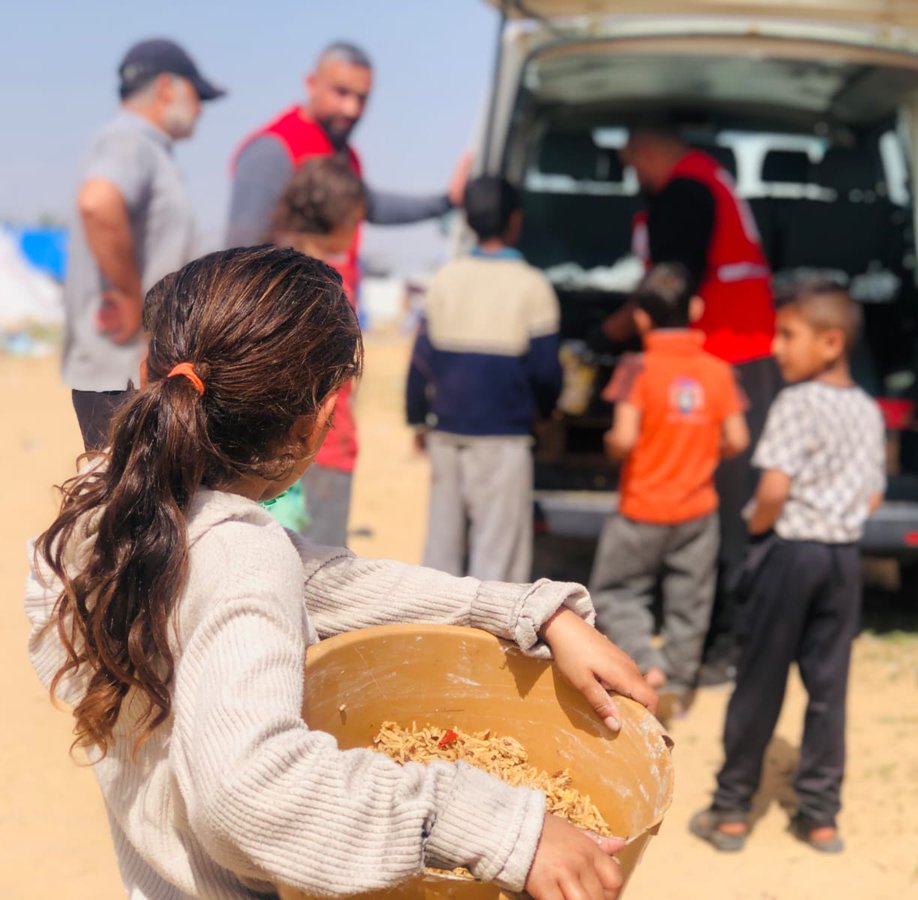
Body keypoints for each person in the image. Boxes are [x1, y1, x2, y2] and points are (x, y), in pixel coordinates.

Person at [26, 245, 654, 900]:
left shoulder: (111, 510)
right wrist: (496, 823)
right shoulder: (238, 555)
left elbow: (317, 582)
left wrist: (528, 612)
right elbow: (246, 794)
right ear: (317, 421)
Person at [227, 41, 471, 548]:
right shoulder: (275, 149)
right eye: (341, 93)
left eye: (362, 98)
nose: (351, 109)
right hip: (287, 372)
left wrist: (445, 202)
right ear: (311, 83)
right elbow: (238, 260)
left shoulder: (344, 157)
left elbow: (374, 203)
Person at [689, 281, 884, 855]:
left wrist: (755, 528)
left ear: (831, 342)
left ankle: (730, 811)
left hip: (791, 553)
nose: (776, 348)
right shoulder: (868, 410)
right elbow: (873, 496)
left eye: (789, 335)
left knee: (759, 680)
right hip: (843, 561)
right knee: (828, 689)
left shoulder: (796, 402)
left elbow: (773, 487)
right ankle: (820, 816)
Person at [609, 125, 778, 685]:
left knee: (727, 513)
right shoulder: (709, 182)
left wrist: (615, 327)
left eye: (634, 163)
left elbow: (671, 275)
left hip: (728, 353)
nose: (636, 178)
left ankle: (724, 645)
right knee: (723, 506)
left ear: (649, 149)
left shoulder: (684, 192)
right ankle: (697, 648)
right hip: (738, 355)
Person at [588, 263, 749, 708]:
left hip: (641, 506)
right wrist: (700, 449)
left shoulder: (636, 367)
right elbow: (737, 439)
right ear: (695, 308)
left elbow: (622, 438)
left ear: (641, 317)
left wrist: (611, 445)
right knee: (690, 601)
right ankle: (677, 678)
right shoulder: (718, 371)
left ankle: (643, 662)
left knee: (619, 591)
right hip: (697, 509)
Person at [64, 38, 224, 451]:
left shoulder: (147, 149)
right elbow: (98, 203)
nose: (202, 109)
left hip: (132, 369)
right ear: (167, 87)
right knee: (132, 505)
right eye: (197, 95)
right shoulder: (129, 141)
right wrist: (130, 301)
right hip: (121, 375)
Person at [405, 177, 561, 583]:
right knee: (498, 557)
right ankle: (493, 641)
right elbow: (545, 371)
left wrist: (417, 417)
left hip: (447, 432)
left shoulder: (445, 279)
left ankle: (439, 633)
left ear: (469, 220)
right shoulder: (532, 285)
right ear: (515, 221)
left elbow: (420, 360)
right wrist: (547, 415)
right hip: (503, 437)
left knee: (441, 550)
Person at [261, 156, 369, 532]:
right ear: (338, 217)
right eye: (356, 219)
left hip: (270, 446)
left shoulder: (268, 270)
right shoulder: (332, 284)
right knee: (320, 574)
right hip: (325, 445)